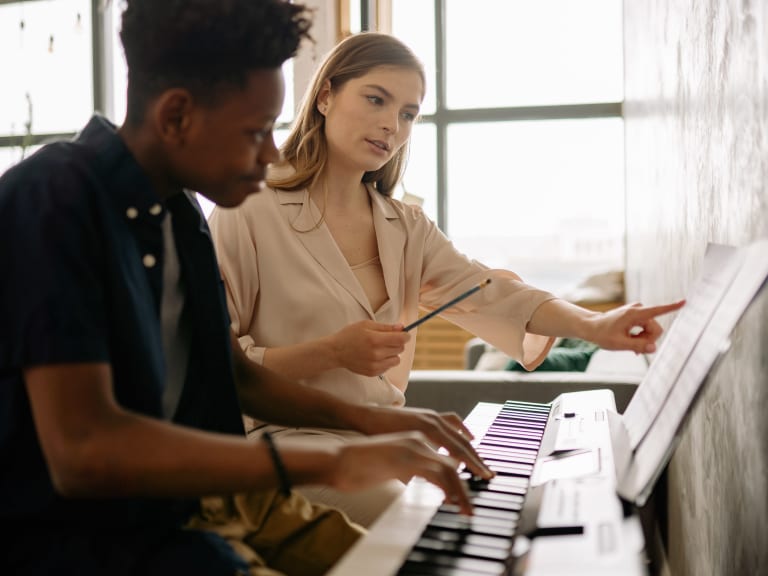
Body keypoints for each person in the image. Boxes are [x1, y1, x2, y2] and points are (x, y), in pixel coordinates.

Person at [0, 4, 494, 575]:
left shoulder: (180, 210)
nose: (269, 156)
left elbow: (233, 374)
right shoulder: (54, 201)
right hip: (95, 538)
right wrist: (332, 464)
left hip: (206, 503)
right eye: (257, 132)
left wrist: (377, 422)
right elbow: (84, 453)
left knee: (433, 560)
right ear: (178, 115)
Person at [208, 31, 686, 526]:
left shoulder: (407, 226)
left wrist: (594, 325)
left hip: (386, 442)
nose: (391, 125)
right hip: (285, 445)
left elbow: (493, 293)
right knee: (434, 523)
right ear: (326, 95)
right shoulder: (248, 210)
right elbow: (220, 369)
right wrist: (331, 352)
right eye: (376, 99)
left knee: (499, 507)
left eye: (408, 113)